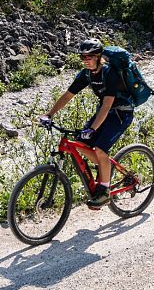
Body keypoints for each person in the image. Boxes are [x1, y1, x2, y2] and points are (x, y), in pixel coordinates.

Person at [40, 38, 135, 208]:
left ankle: (104, 191)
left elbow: (107, 105)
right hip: (105, 112)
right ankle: (105, 164)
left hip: (121, 112)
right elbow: (68, 95)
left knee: (99, 149)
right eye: (83, 57)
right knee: (79, 143)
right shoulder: (86, 74)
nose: (86, 60)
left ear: (98, 56)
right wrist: (49, 114)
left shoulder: (109, 72)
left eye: (89, 57)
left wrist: (92, 129)